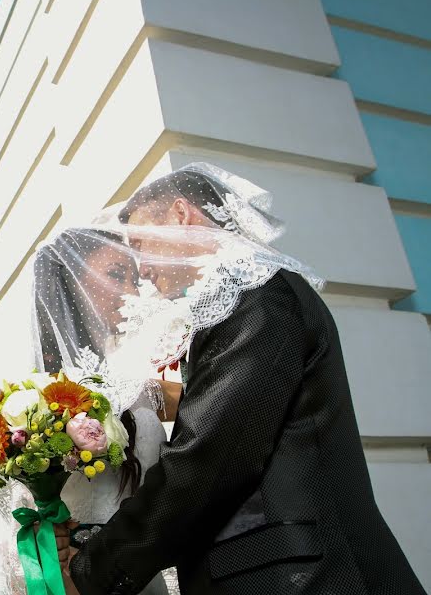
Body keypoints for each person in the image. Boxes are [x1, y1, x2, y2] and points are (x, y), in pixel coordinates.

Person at [61, 164, 425, 594]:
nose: (141, 269)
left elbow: (208, 461)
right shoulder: (237, 301)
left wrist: (96, 568)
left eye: (141, 244)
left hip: (303, 579)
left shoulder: (256, 297)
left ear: (181, 215)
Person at [0, 228, 181, 595]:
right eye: (115, 275)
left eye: (133, 277)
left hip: (136, 578)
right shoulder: (23, 395)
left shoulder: (138, 385)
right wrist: (43, 542)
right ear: (70, 284)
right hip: (62, 581)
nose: (131, 290)